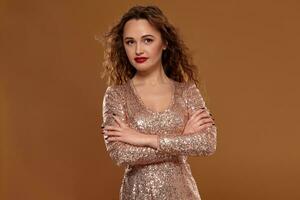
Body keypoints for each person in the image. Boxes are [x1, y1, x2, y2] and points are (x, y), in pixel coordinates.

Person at [99, 5, 217, 200]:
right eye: (130, 42)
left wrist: (144, 138)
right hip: (137, 194)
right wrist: (182, 138)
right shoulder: (116, 96)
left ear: (165, 43)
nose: (138, 50)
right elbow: (121, 154)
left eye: (147, 40)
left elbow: (207, 143)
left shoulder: (187, 91)